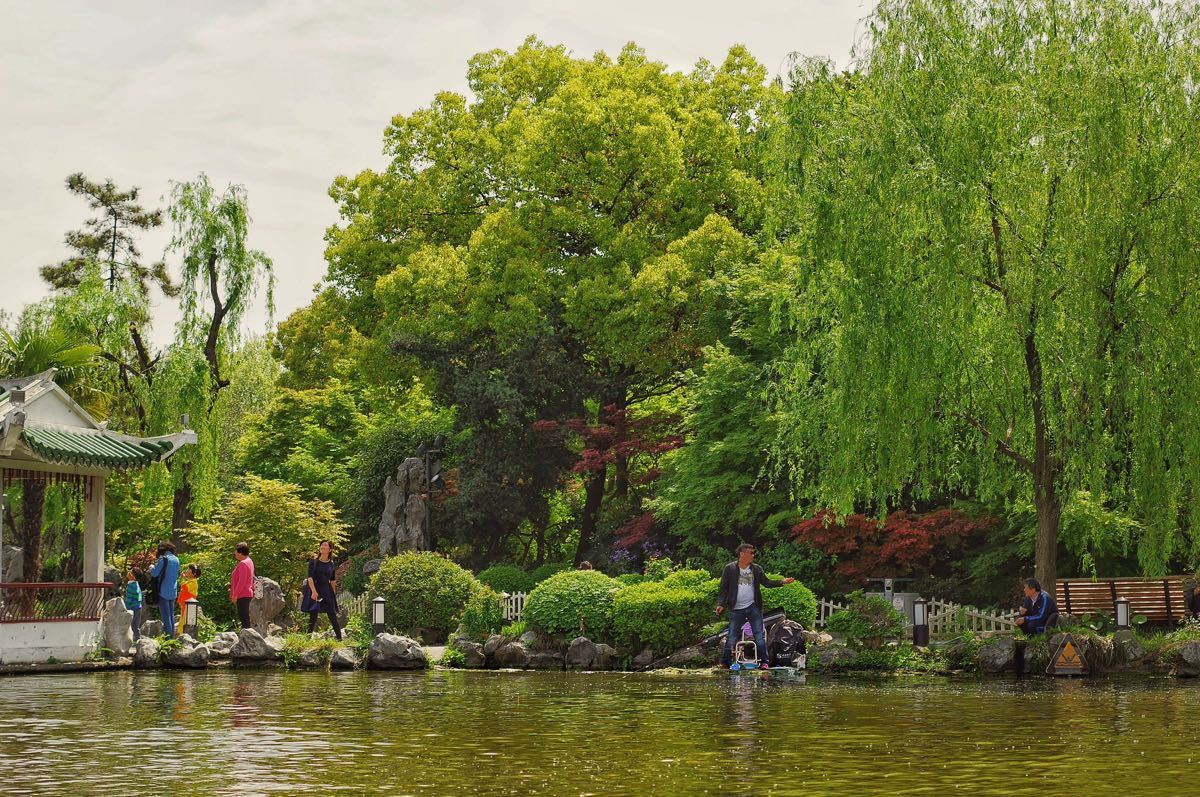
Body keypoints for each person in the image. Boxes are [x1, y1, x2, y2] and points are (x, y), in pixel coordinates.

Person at [716, 544, 794, 668]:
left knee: (759, 635)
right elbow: (723, 588)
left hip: (754, 607)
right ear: (742, 554)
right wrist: (720, 604)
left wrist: (782, 582)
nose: (753, 555)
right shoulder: (730, 568)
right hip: (736, 608)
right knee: (731, 636)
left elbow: (767, 583)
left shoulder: (756, 569)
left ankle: (764, 662)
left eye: (753, 553)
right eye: (750, 553)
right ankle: (725, 663)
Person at [301, 540, 342, 640]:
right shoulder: (313, 562)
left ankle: (339, 639)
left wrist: (333, 593)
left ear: (330, 549)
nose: (322, 547)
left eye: (325, 545)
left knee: (332, 615)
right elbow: (309, 578)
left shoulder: (331, 563)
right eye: (321, 545)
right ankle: (307, 639)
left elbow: (332, 579)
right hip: (314, 589)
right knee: (313, 615)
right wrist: (314, 592)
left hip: (326, 590)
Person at [149, 542, 181, 637]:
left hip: (163, 591)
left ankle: (168, 642)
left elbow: (154, 573)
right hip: (173, 591)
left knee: (166, 618)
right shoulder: (176, 559)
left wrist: (151, 567)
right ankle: (172, 639)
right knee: (171, 616)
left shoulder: (163, 559)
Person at [230, 542, 255, 629]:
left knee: (244, 619)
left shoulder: (243, 563)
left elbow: (242, 582)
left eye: (236, 551)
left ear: (240, 553)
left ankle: (248, 640)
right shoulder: (249, 561)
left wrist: (235, 595)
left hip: (243, 594)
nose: (235, 553)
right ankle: (247, 638)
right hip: (246, 593)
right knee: (245, 618)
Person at [176, 563, 201, 636]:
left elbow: (184, 587)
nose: (187, 571)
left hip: (189, 606)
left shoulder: (193, 582)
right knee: (183, 619)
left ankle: (182, 635)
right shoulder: (190, 581)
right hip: (185, 604)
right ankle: (181, 635)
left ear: (194, 573)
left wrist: (183, 579)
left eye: (189, 569)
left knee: (185, 620)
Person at [125, 567, 144, 642]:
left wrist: (126, 608)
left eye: (130, 572)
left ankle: (132, 640)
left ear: (133, 576)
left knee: (131, 625)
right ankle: (138, 639)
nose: (128, 572)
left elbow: (130, 598)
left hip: (132, 608)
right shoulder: (135, 584)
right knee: (135, 625)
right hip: (138, 607)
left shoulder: (131, 586)